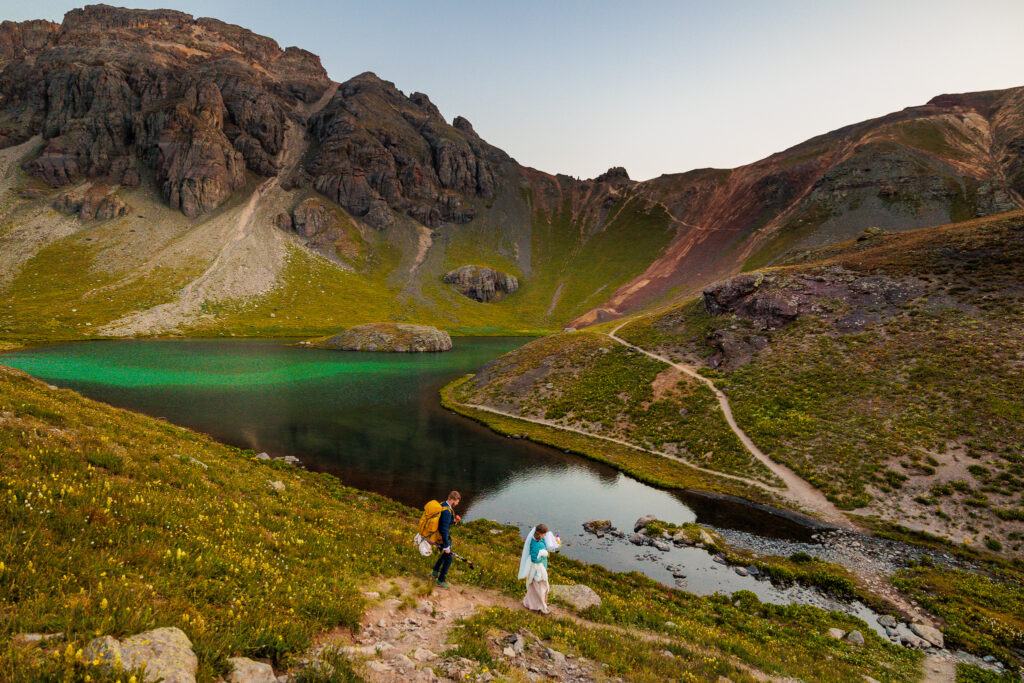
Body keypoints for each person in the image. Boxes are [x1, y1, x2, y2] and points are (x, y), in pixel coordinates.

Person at [429, 491, 461, 588]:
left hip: (437, 535)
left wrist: (453, 521)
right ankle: (441, 581)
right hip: (442, 538)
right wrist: (446, 546)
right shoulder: (447, 512)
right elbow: (444, 529)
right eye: (457, 502)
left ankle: (435, 572)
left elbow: (443, 522)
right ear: (453, 500)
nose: (457, 504)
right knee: (449, 557)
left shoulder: (442, 504)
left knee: (445, 555)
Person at [518, 523, 550, 614]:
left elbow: (545, 544)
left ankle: (529, 603)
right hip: (537, 570)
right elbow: (535, 559)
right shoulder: (536, 544)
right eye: (545, 533)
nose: (546, 535)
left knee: (534, 588)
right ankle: (542, 607)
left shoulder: (538, 540)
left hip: (541, 567)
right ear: (541, 533)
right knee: (541, 589)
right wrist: (544, 554)